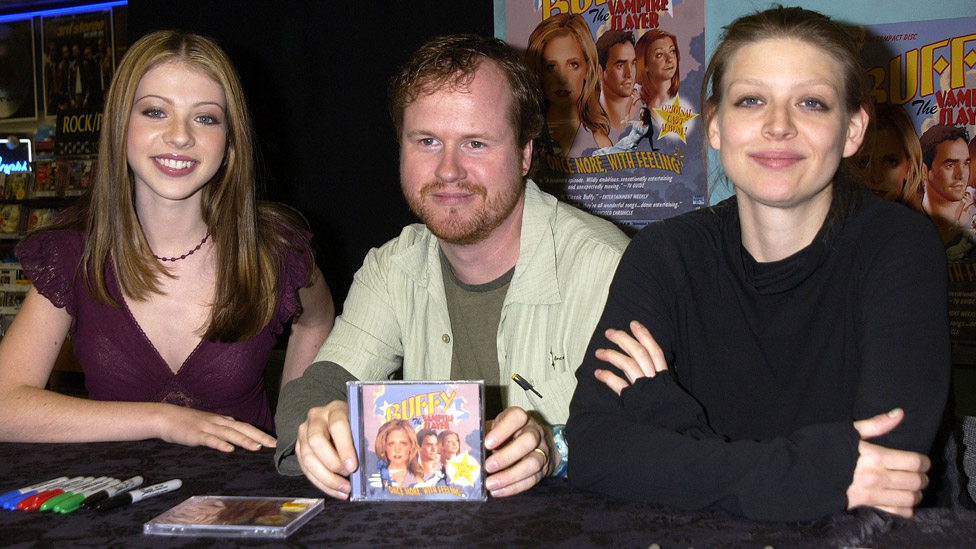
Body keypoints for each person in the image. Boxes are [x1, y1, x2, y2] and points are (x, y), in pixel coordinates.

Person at [568, 6, 950, 521]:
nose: (778, 127)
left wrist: (671, 418)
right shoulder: (664, 255)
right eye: (751, 101)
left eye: (811, 103)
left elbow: (889, 469)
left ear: (854, 130)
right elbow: (593, 450)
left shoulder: (899, 247)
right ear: (718, 125)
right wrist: (817, 474)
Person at [274, 33, 630, 500]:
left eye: (476, 143)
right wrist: (319, 428)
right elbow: (315, 388)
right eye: (426, 141)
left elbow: (651, 439)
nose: (447, 170)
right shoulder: (392, 268)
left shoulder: (609, 269)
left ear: (525, 154)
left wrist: (556, 446)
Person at [0, 30, 334, 452]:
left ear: (230, 142)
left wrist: (294, 422)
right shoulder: (74, 253)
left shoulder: (274, 249)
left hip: (246, 505)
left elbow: (318, 320)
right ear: (121, 126)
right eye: (155, 112)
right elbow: (5, 406)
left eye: (205, 118)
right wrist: (162, 419)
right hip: (119, 506)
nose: (180, 136)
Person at [525, 13, 612, 156]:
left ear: (587, 69)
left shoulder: (600, 144)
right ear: (539, 72)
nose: (562, 79)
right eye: (551, 66)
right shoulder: (525, 140)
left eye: (573, 64)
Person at [855, 102, 924, 212]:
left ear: (909, 166)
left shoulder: (920, 227)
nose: (877, 178)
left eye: (891, 162)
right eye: (864, 163)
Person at [919, 125, 973, 246]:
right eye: (950, 165)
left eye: (966, 164)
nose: (961, 175)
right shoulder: (909, 216)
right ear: (924, 170)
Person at [596, 30, 639, 139]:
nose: (629, 73)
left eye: (633, 63)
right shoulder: (586, 120)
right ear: (600, 72)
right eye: (620, 65)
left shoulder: (648, 111)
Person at [634, 29, 679, 113]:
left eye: (672, 51)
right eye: (659, 54)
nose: (669, 59)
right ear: (645, 65)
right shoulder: (635, 105)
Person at [375, 419, 422, 488]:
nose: (397, 450)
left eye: (403, 444)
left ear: (411, 446)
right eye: (391, 444)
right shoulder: (375, 480)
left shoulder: (418, 482)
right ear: (384, 446)